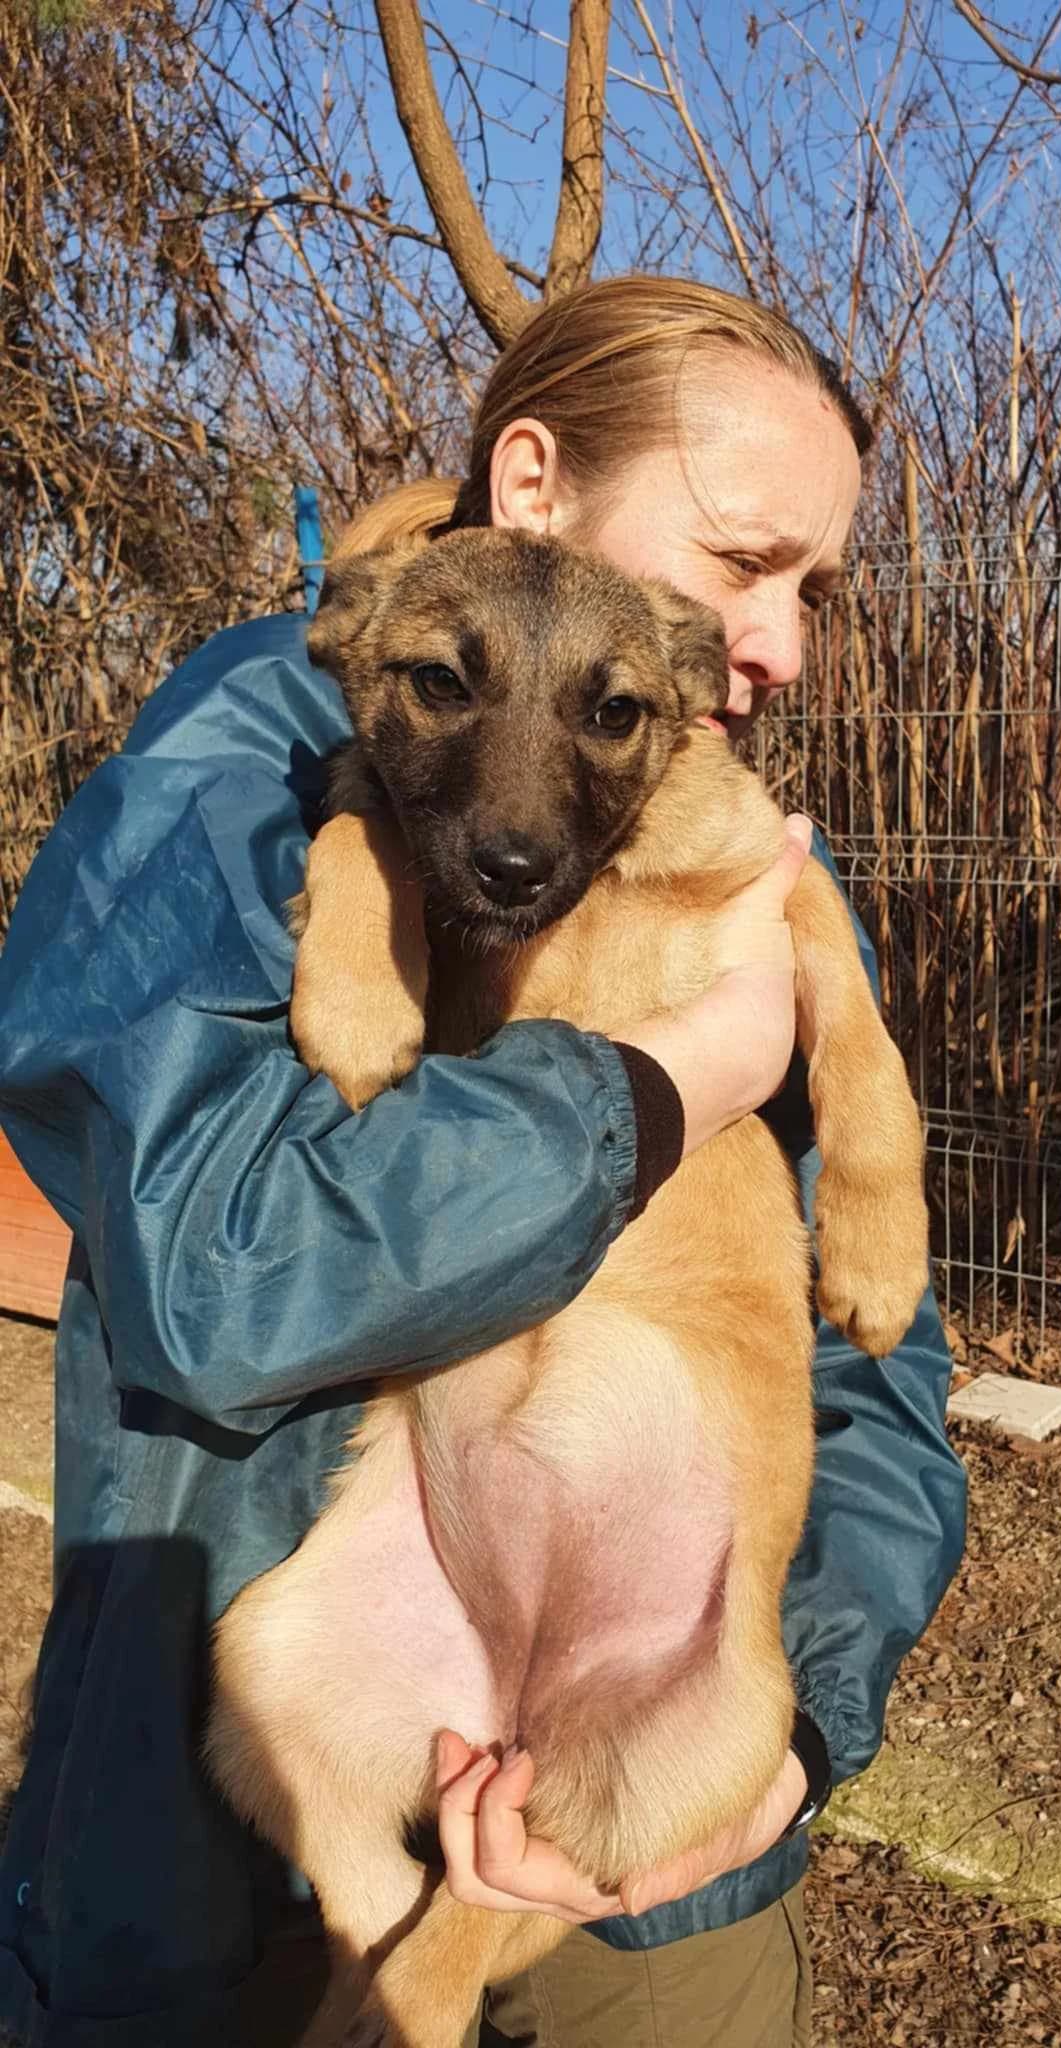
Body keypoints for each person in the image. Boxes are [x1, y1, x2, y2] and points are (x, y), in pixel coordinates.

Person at [0, 275, 965, 2048]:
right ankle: (403, 1963)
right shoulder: (242, 765)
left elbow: (882, 1381)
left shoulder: (715, 814)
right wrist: (680, 1077)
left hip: (663, 1903)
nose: (786, 651)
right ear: (531, 486)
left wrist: (798, 1734)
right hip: (235, 1885)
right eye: (745, 562)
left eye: (813, 593)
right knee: (270, 1697)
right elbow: (218, 1267)